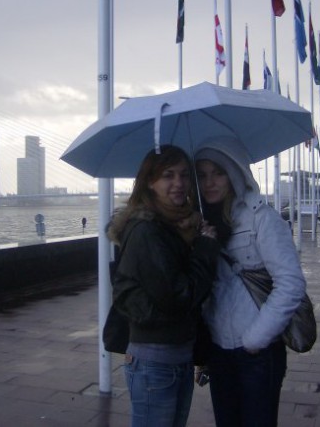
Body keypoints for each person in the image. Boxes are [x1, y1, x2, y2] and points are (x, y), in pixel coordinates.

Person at [195, 137, 307, 427]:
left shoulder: (262, 219)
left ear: (233, 173)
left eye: (217, 173)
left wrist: (256, 339)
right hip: (219, 352)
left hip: (257, 354)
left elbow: (291, 282)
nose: (210, 182)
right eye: (202, 175)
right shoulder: (202, 224)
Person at [107, 145, 220, 427]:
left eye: (183, 175)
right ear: (149, 182)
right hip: (154, 363)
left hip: (177, 358)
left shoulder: (176, 227)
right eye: (168, 175)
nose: (178, 183)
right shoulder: (147, 231)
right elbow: (180, 296)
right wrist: (205, 250)